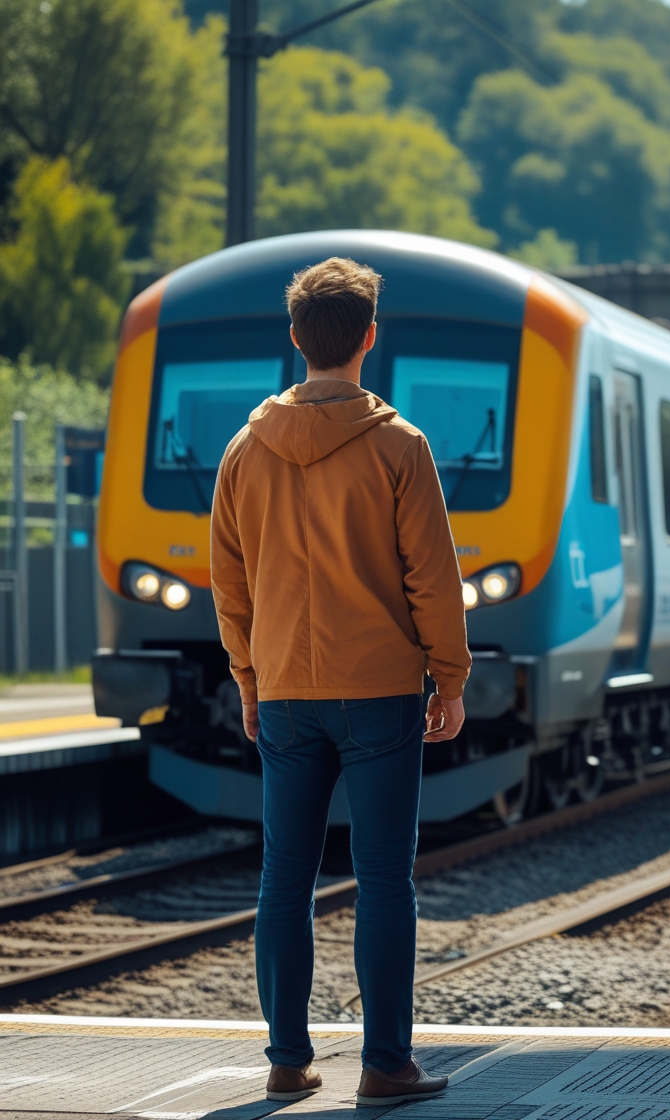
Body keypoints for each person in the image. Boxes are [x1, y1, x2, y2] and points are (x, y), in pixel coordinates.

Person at [210, 256, 471, 1106]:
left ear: (296, 339)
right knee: (383, 875)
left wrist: (249, 679)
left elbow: (230, 583)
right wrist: (451, 678)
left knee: (284, 876)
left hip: (285, 691)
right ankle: (384, 1065)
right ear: (368, 339)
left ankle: (287, 1061)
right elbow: (433, 577)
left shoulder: (244, 451)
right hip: (381, 694)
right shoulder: (400, 445)